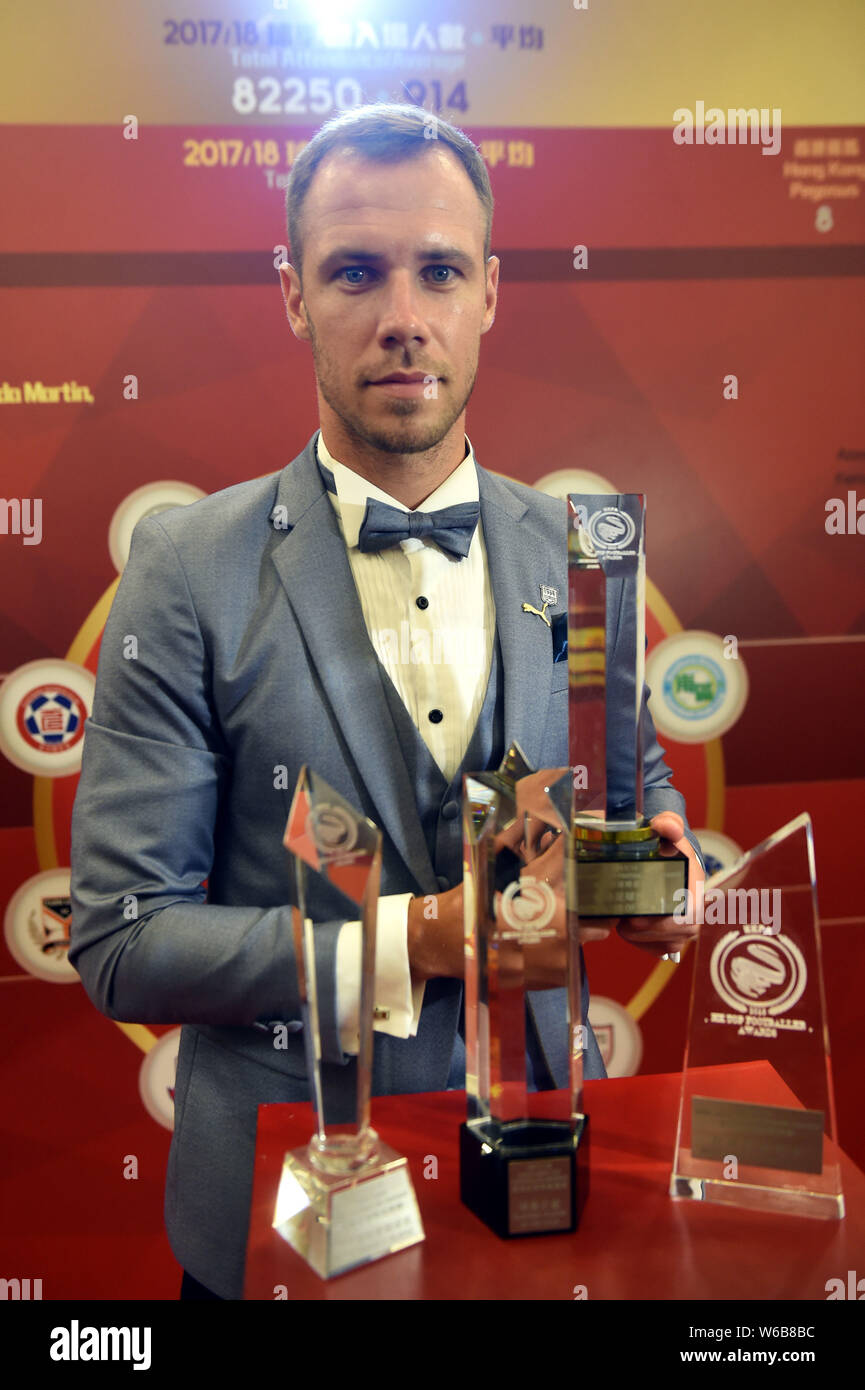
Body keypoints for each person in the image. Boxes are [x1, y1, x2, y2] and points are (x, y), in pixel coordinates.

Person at [69, 103, 702, 1301]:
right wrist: (414, 939)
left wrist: (656, 882)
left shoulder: (574, 552)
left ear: (490, 291)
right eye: (355, 272)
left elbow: (636, 800)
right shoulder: (185, 566)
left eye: (440, 270)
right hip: (277, 1209)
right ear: (295, 294)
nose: (404, 320)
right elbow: (121, 940)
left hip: (545, 1180)